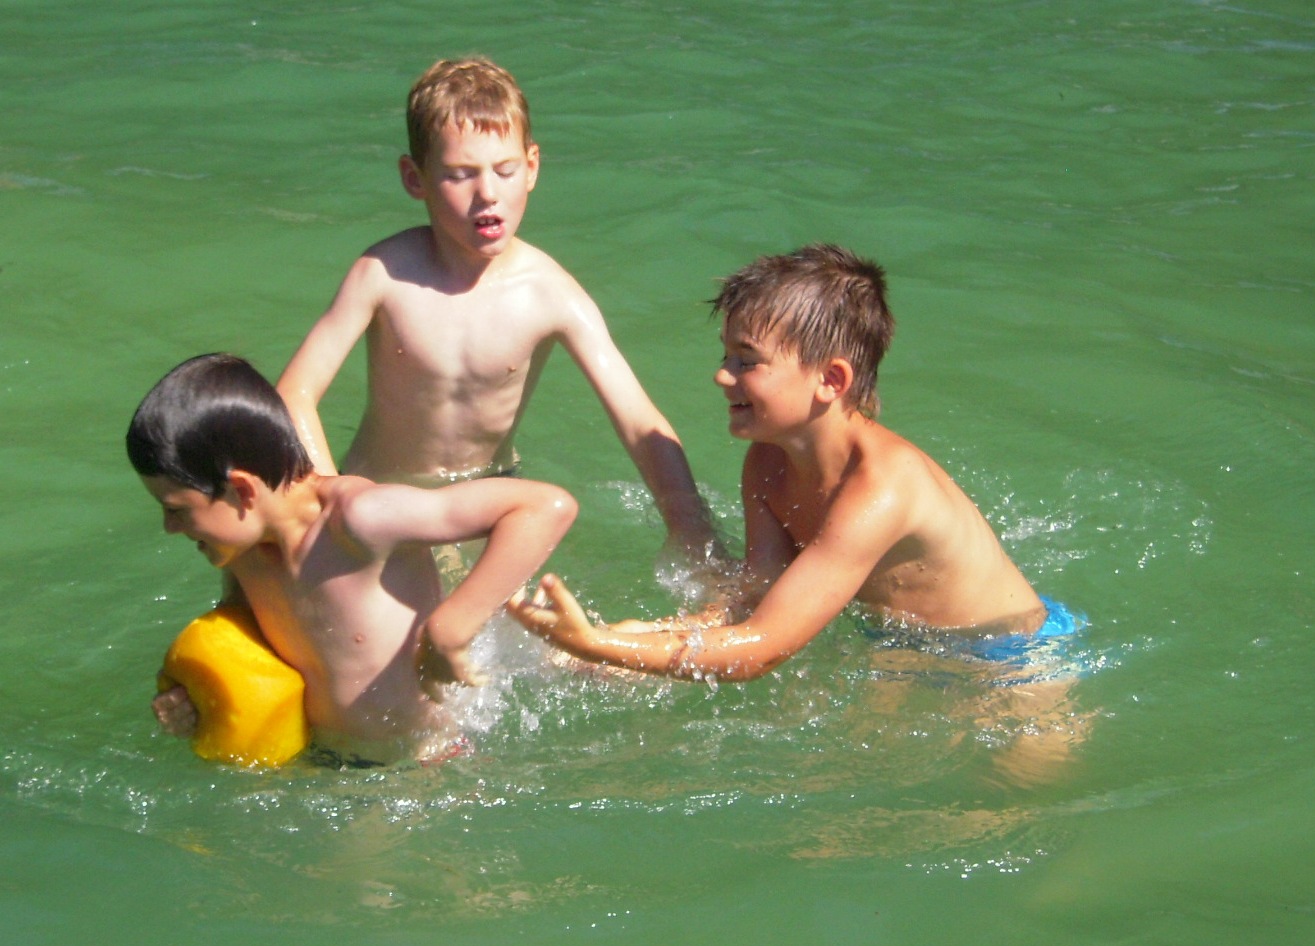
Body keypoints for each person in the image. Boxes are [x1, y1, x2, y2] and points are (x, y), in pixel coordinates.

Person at [509, 244, 1072, 682]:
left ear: (830, 380)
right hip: (897, 647)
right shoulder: (767, 462)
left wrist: (599, 645)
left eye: (747, 361)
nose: (722, 375)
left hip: (1013, 660)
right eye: (726, 354)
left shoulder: (883, 489)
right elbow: (758, 598)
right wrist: (629, 638)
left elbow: (760, 650)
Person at [276, 56, 716, 560]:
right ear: (414, 178)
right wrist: (331, 499)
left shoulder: (551, 294)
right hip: (379, 498)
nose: (487, 193)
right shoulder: (383, 275)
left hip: (484, 504)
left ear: (532, 167)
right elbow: (295, 393)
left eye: (505, 171)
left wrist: (691, 529)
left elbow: (638, 421)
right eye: (459, 175)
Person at [129, 354, 577, 765]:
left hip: (426, 763)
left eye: (176, 510)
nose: (169, 527)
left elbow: (544, 508)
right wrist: (194, 695)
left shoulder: (359, 521)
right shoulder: (242, 555)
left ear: (242, 490)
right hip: (322, 762)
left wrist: (452, 627)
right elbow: (244, 639)